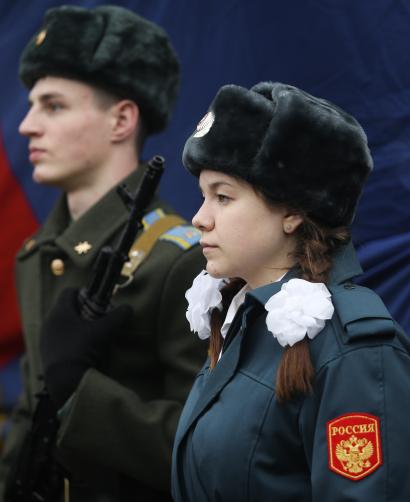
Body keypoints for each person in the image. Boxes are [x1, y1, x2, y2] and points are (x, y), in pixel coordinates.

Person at [171, 82, 410, 501]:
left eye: (223, 197)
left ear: (291, 210)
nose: (200, 218)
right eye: (203, 196)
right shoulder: (245, 322)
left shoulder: (355, 353)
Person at [0, 5, 206, 502]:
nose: (27, 125)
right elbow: (31, 412)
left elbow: (204, 448)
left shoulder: (182, 258)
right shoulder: (35, 257)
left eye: (53, 106)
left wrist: (83, 395)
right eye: (31, 105)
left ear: (121, 119)